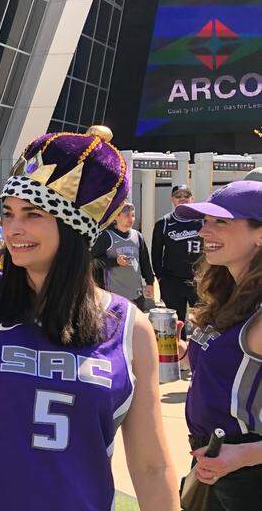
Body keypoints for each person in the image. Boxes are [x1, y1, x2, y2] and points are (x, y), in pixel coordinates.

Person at [0, 127, 178, 511]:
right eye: (9, 212)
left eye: (32, 214)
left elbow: (151, 466)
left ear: (74, 227)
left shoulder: (131, 327)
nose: (13, 228)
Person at [175, 180, 262, 509]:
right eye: (204, 222)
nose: (203, 232)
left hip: (248, 475)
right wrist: (189, 357)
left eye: (220, 222)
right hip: (212, 461)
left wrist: (245, 455)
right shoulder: (227, 295)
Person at [151, 185, 202, 330]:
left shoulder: (203, 221)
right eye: (178, 196)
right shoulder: (164, 222)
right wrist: (160, 277)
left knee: (204, 321)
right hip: (172, 281)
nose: (182, 199)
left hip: (198, 279)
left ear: (192, 199)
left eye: (186, 196)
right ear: (172, 200)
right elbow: (156, 253)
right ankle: (179, 350)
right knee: (176, 324)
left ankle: (199, 350)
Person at [93, 202, 155, 311]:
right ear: (116, 216)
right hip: (113, 296)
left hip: (136, 295)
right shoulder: (106, 236)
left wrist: (150, 282)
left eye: (133, 215)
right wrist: (115, 261)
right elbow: (91, 261)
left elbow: (145, 262)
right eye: (127, 215)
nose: (131, 219)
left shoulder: (137, 236)